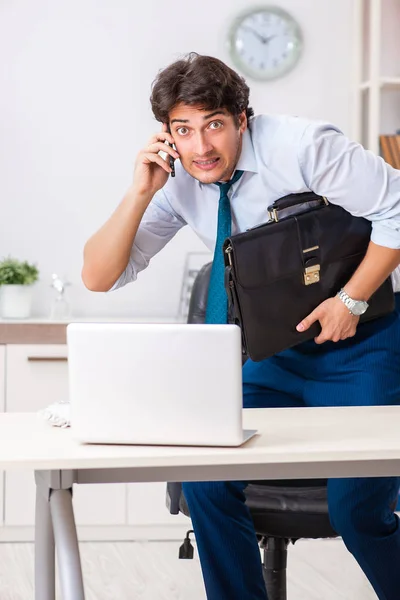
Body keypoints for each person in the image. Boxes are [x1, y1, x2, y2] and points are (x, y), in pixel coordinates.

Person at [82, 53, 400, 600]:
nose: (201, 147)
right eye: (184, 130)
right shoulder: (179, 181)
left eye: (214, 125)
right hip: (273, 353)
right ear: (167, 134)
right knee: (205, 476)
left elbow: (397, 208)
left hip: (358, 346)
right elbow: (100, 275)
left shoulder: (303, 147)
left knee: (357, 505)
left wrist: (350, 299)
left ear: (242, 119)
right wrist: (141, 192)